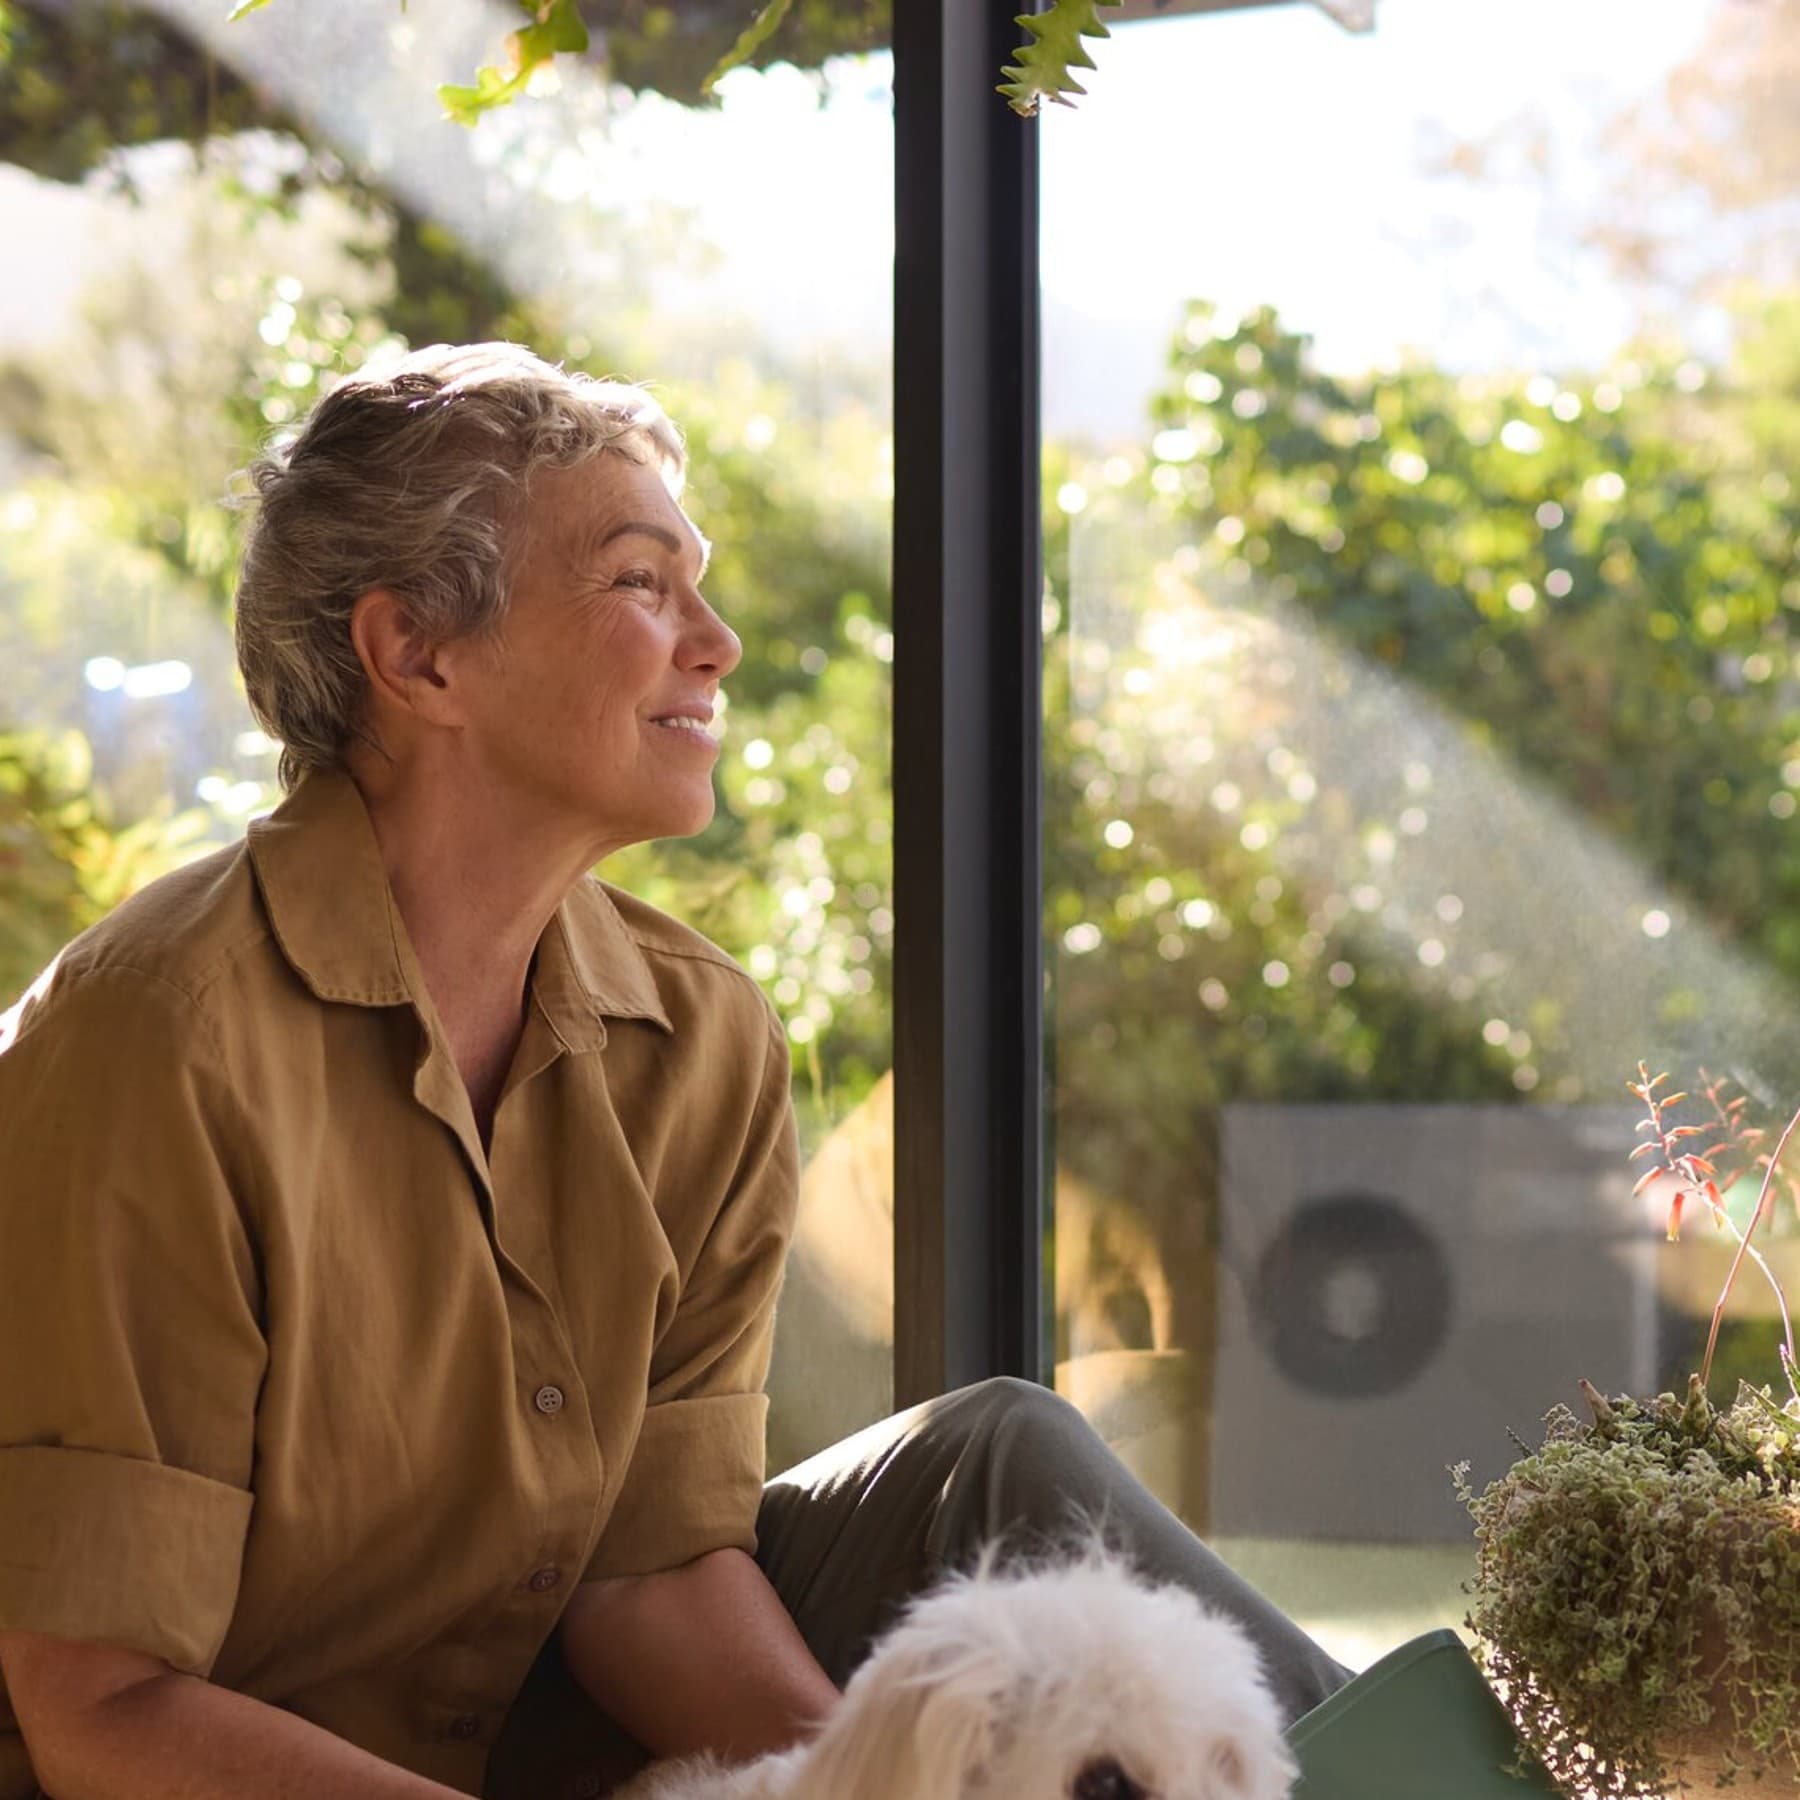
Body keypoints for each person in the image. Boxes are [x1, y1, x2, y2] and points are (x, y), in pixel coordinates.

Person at [0, 343, 1350, 1800]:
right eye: (640, 582)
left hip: (555, 1732)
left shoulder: (702, 1037)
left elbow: (647, 1574)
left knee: (990, 1454)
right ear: (418, 655)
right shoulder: (155, 1037)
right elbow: (102, 1705)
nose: (718, 642)